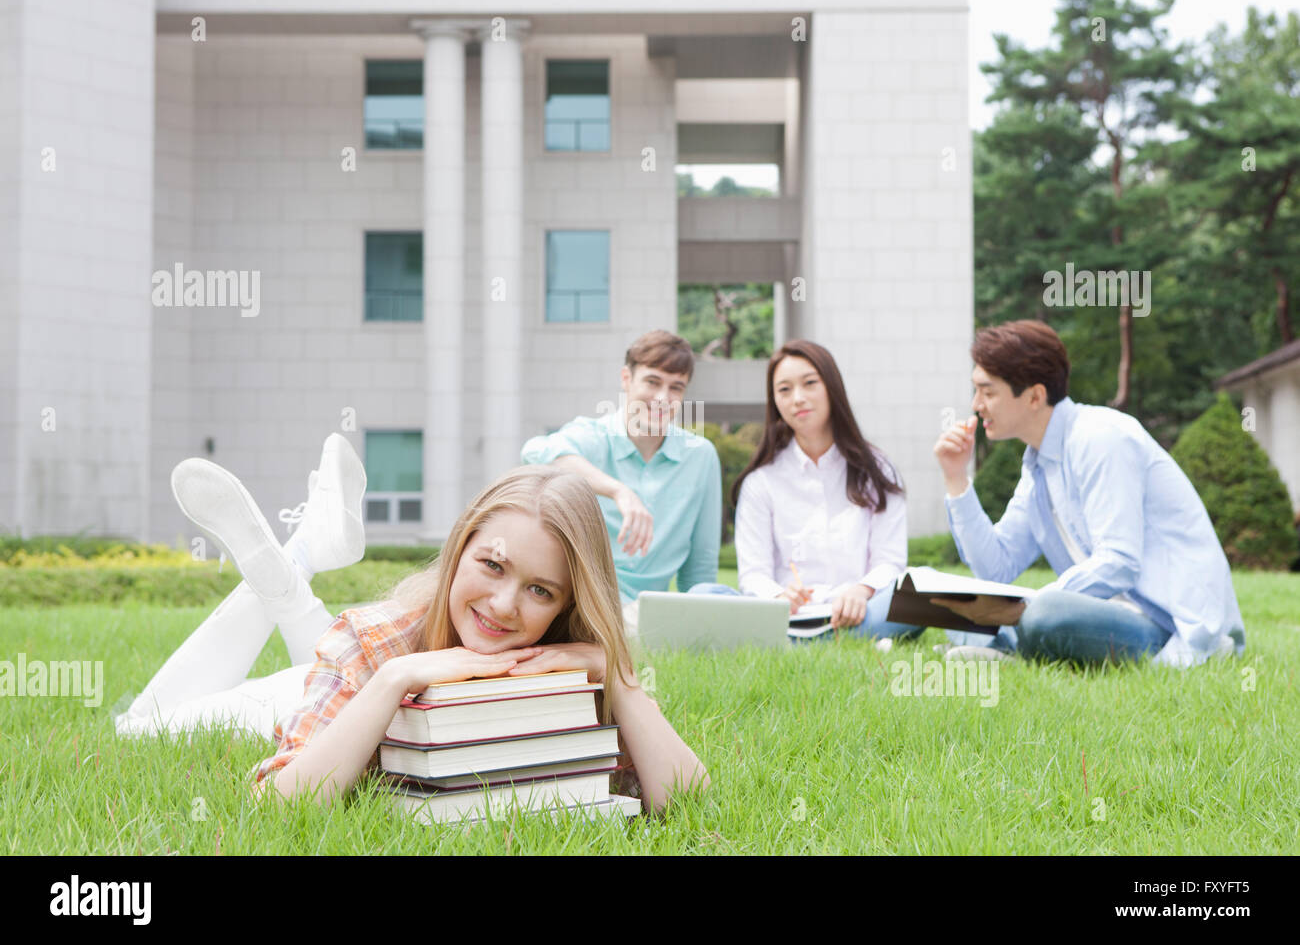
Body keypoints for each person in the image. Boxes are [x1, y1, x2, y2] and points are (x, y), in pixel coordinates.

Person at [115, 440, 709, 814]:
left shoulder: (567, 662)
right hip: (292, 694)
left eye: (539, 590)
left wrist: (618, 677)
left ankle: (303, 555)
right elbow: (274, 804)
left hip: (346, 662)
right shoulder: (375, 642)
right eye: (492, 565)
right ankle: (298, 560)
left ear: (567, 602)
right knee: (139, 727)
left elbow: (689, 804)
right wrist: (394, 678)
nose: (503, 606)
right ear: (460, 548)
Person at [931, 319, 1246, 667]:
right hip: (1107, 614)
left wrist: (1023, 608)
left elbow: (1119, 563)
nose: (976, 404)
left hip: (1169, 625)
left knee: (1044, 614)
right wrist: (956, 478)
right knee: (959, 610)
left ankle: (1011, 649)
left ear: (1035, 396)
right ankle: (1009, 648)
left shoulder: (1101, 438)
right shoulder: (1038, 465)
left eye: (988, 392)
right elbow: (996, 569)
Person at [690, 340, 920, 644]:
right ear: (775, 401)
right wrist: (778, 595)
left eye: (809, 383)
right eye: (784, 390)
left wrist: (861, 590)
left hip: (860, 611)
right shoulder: (762, 481)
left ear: (831, 387)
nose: (797, 398)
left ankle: (796, 642)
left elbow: (889, 561)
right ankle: (824, 639)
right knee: (703, 596)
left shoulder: (876, 471)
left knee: (919, 591)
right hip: (785, 616)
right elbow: (753, 573)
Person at [520, 330, 722, 626]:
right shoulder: (594, 437)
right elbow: (535, 452)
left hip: (650, 614)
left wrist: (700, 623)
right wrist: (618, 491)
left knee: (716, 596)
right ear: (626, 379)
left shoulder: (700, 456)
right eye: (652, 382)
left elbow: (700, 566)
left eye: (676, 388)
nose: (663, 398)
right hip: (585, 604)